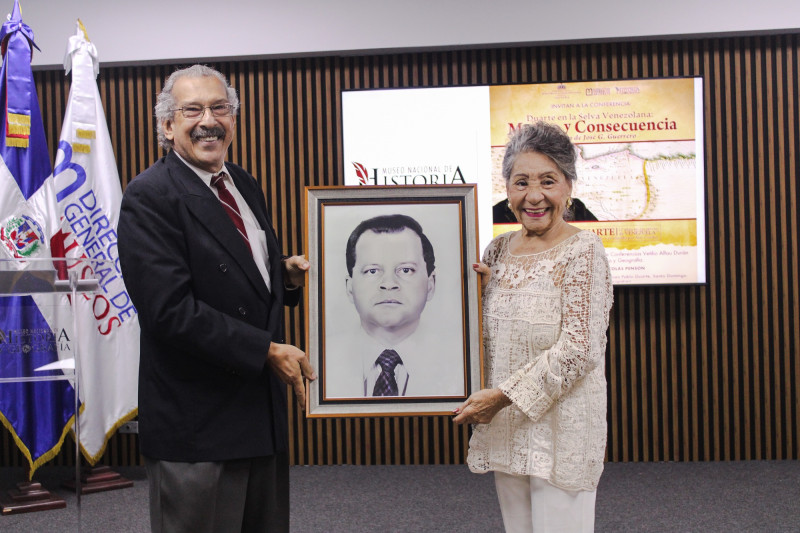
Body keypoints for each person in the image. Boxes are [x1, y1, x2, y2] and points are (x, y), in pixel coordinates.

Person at [117, 64, 315, 533]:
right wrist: (265, 350)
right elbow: (170, 312)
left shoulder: (242, 182)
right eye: (192, 110)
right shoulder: (149, 196)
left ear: (234, 119)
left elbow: (240, 269)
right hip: (198, 427)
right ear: (168, 126)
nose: (209, 120)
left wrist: (283, 274)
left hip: (258, 417)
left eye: (219, 108)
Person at [454, 122, 613, 533]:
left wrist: (502, 397)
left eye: (548, 181)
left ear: (568, 186)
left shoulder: (585, 250)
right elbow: (485, 336)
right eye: (521, 182)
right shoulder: (496, 251)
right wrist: (471, 301)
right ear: (507, 189)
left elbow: (579, 350)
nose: (534, 196)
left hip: (562, 431)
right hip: (507, 428)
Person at [324, 213, 464, 398]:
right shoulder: (323, 359)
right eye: (372, 271)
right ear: (350, 287)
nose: (388, 284)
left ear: (431, 284)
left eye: (406, 270)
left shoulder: (461, 360)